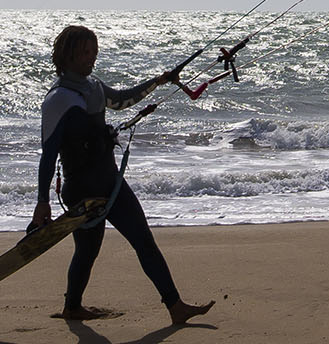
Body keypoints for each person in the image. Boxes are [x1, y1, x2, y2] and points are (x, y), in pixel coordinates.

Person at [30, 24, 213, 325]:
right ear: (67, 55)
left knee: (144, 240)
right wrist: (42, 201)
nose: (92, 57)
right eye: (85, 52)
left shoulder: (94, 86)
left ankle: (175, 306)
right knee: (87, 251)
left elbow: (123, 101)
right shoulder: (58, 99)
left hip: (111, 183)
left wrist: (158, 82)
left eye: (94, 51)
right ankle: (72, 306)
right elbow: (48, 155)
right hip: (82, 189)